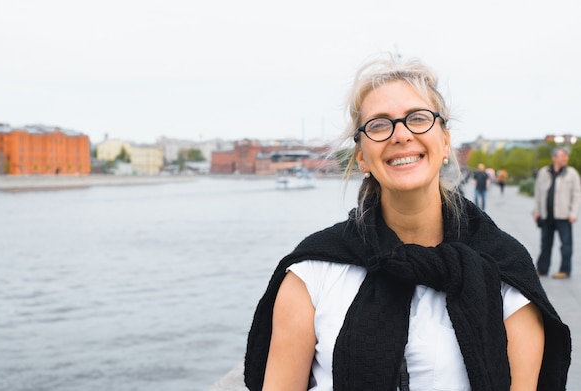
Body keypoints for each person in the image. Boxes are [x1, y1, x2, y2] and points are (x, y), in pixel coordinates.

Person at [245, 55, 570, 391]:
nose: (400, 135)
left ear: (445, 142)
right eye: (379, 124)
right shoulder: (311, 273)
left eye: (417, 118)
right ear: (362, 157)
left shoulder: (504, 270)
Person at [534, 147, 581, 279]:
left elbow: (577, 194)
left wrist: (574, 213)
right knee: (545, 243)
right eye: (562, 156)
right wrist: (537, 211)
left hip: (564, 215)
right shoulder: (544, 172)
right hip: (546, 214)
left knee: (566, 244)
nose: (565, 158)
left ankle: (565, 270)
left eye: (566, 156)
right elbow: (538, 192)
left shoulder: (572, 173)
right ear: (554, 158)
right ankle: (542, 269)